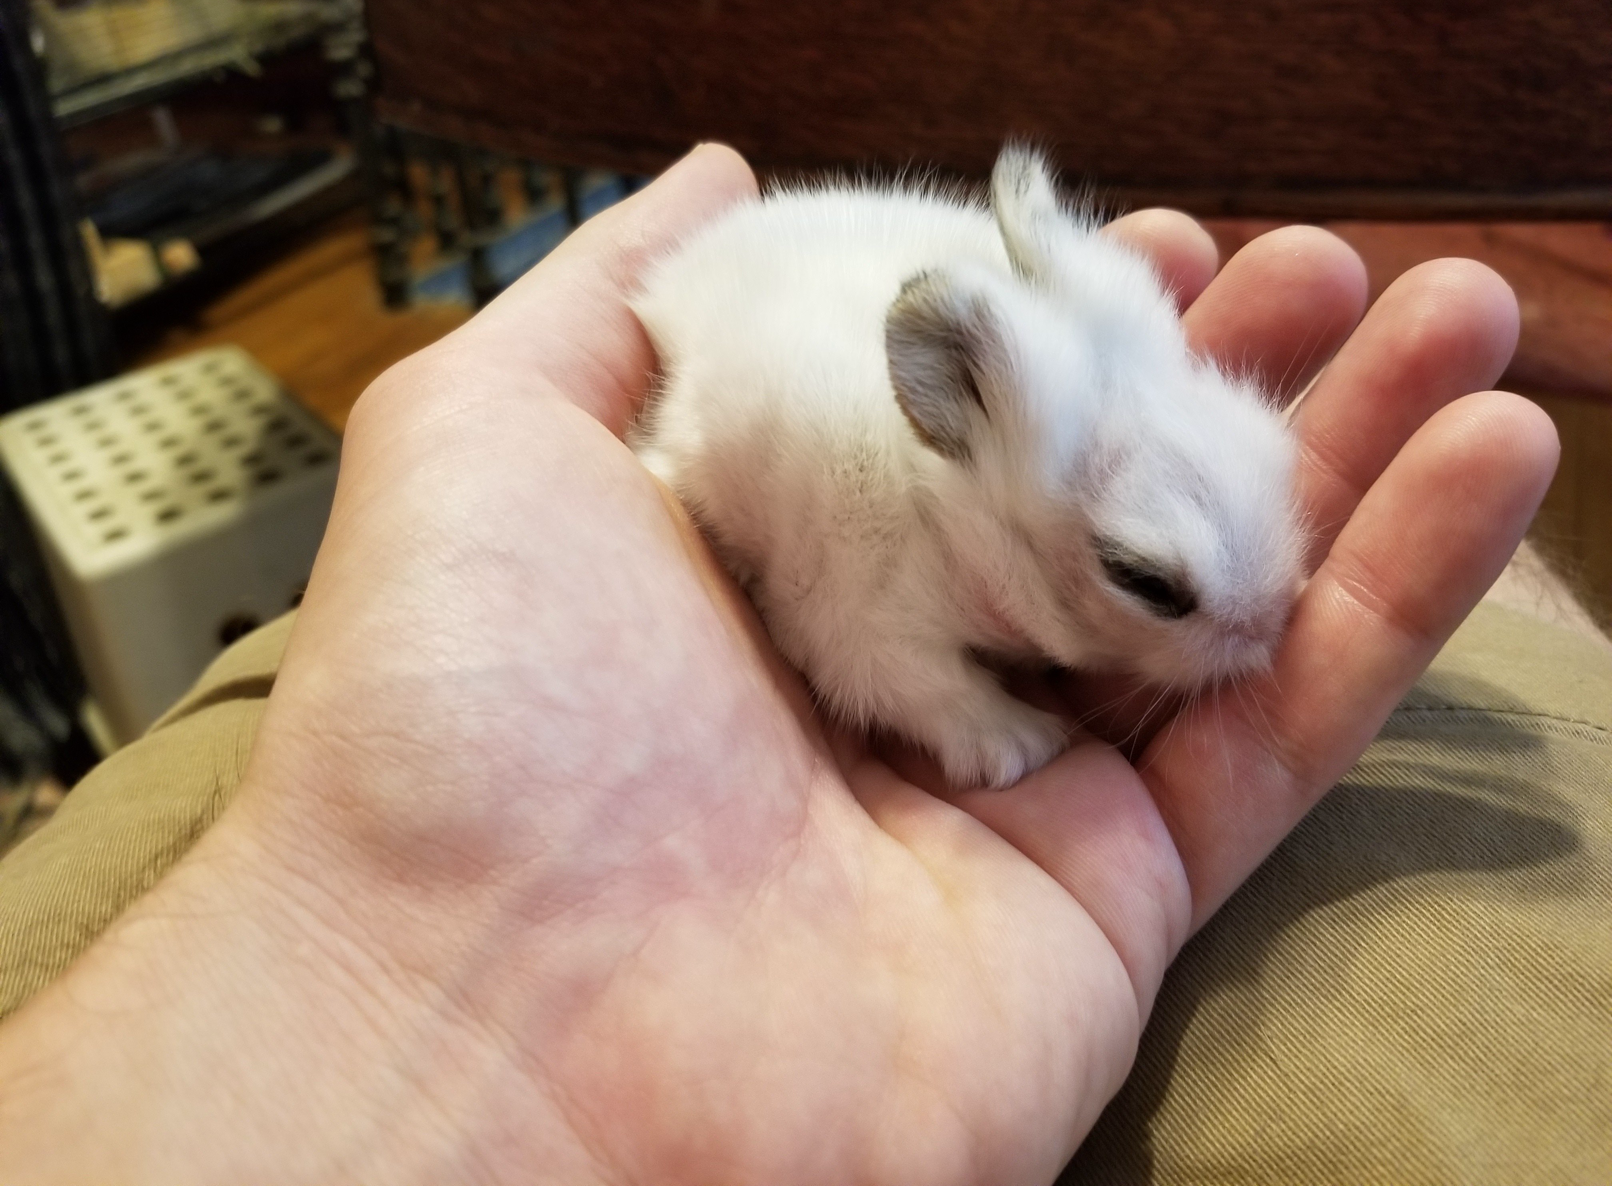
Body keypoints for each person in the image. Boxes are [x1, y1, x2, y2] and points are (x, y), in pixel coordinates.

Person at [0, 143, 1598, 1184]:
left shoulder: (1085, 394)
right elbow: (846, 587)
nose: (1261, 640)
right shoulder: (853, 465)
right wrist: (956, 707)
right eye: (1152, 589)